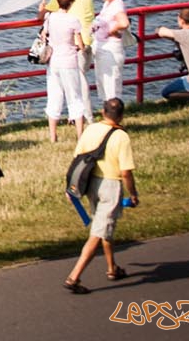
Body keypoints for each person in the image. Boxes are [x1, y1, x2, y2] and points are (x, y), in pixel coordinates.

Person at [63, 97, 139, 293]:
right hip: (111, 186)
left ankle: (112, 268)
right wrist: (133, 194)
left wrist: (70, 187)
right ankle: (74, 277)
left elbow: (77, 158)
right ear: (121, 115)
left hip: (91, 184)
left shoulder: (91, 129)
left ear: (103, 112)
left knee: (104, 224)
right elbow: (126, 173)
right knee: (98, 232)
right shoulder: (121, 137)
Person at [45, 0, 89, 142]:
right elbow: (80, 44)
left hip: (53, 61)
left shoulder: (50, 17)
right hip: (69, 62)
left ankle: (52, 135)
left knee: (54, 97)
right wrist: (80, 47)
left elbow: (45, 35)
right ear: (70, 3)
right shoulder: (73, 20)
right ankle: (80, 135)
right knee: (75, 98)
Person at [92, 0, 131, 102]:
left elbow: (124, 23)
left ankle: (114, 116)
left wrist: (111, 31)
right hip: (103, 48)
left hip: (111, 50)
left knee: (112, 87)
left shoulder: (117, 4)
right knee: (103, 84)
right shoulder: (107, 4)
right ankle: (108, 114)